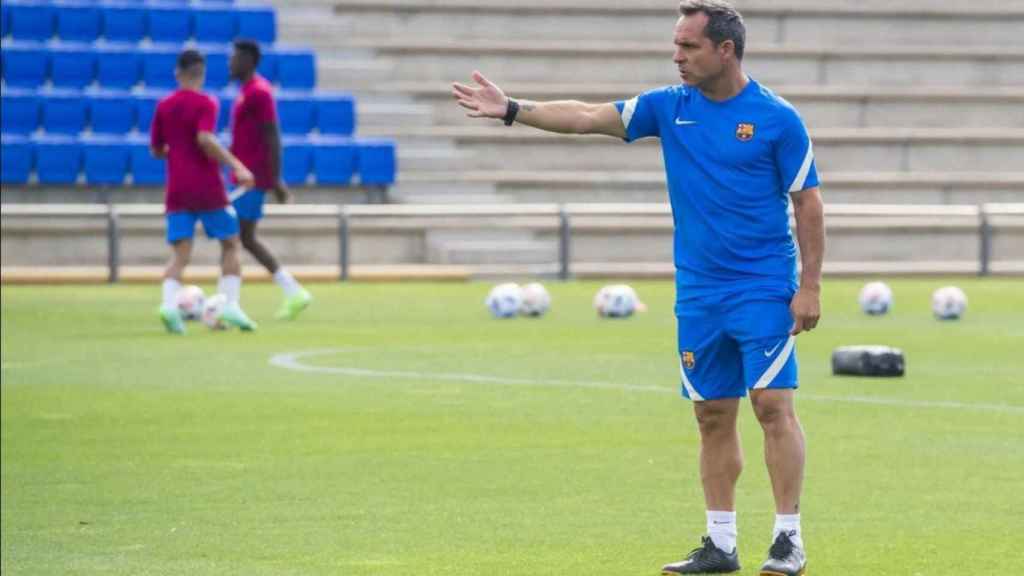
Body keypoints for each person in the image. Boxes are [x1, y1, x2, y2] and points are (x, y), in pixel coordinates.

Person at [452, 0, 824, 573]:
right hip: (698, 291)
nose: (676, 56)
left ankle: (787, 539)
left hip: (762, 285)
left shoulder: (777, 119)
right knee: (711, 415)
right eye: (675, 45)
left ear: (725, 50)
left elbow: (808, 202)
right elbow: (585, 116)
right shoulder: (668, 107)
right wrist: (513, 110)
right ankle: (720, 544)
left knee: (772, 406)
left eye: (689, 46)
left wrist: (811, 286)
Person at [153, 49, 258, 334]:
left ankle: (168, 306)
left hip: (176, 188)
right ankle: (230, 305)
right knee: (231, 242)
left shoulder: (163, 106)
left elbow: (157, 149)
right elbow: (205, 139)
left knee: (180, 253)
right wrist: (238, 167)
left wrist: (177, 153)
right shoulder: (206, 103)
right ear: (201, 74)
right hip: (207, 187)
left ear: (177, 73)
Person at [228, 39, 312, 320]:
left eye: (236, 58)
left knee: (234, 238)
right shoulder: (247, 91)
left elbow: (272, 136)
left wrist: (275, 180)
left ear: (249, 61)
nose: (231, 62)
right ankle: (292, 291)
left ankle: (230, 305)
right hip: (244, 177)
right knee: (244, 238)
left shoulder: (260, 93)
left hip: (252, 178)